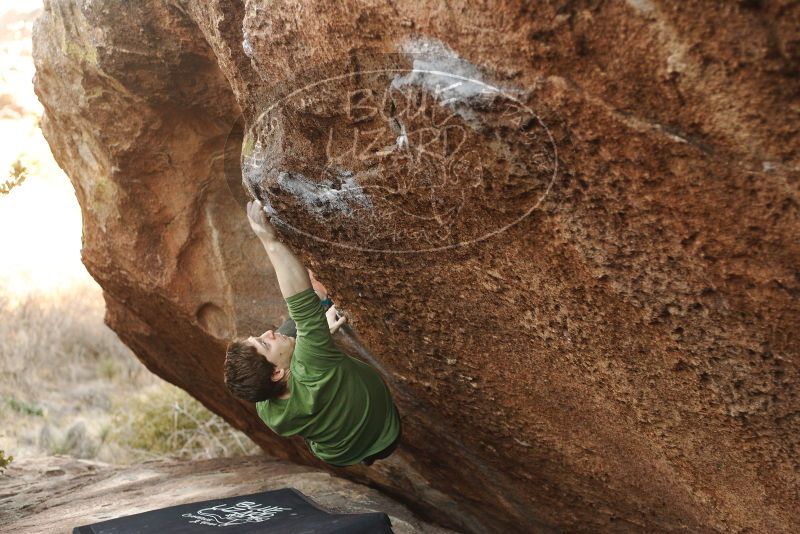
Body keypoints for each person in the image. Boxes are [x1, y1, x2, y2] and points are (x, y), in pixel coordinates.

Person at [223, 199, 402, 467]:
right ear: (276, 373)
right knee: (305, 318)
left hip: (339, 455)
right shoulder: (311, 367)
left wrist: (316, 336)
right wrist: (268, 239)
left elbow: (295, 349)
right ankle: (319, 301)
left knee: (296, 332)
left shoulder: (267, 409)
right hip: (387, 432)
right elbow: (300, 302)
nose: (269, 332)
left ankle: (317, 319)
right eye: (263, 342)